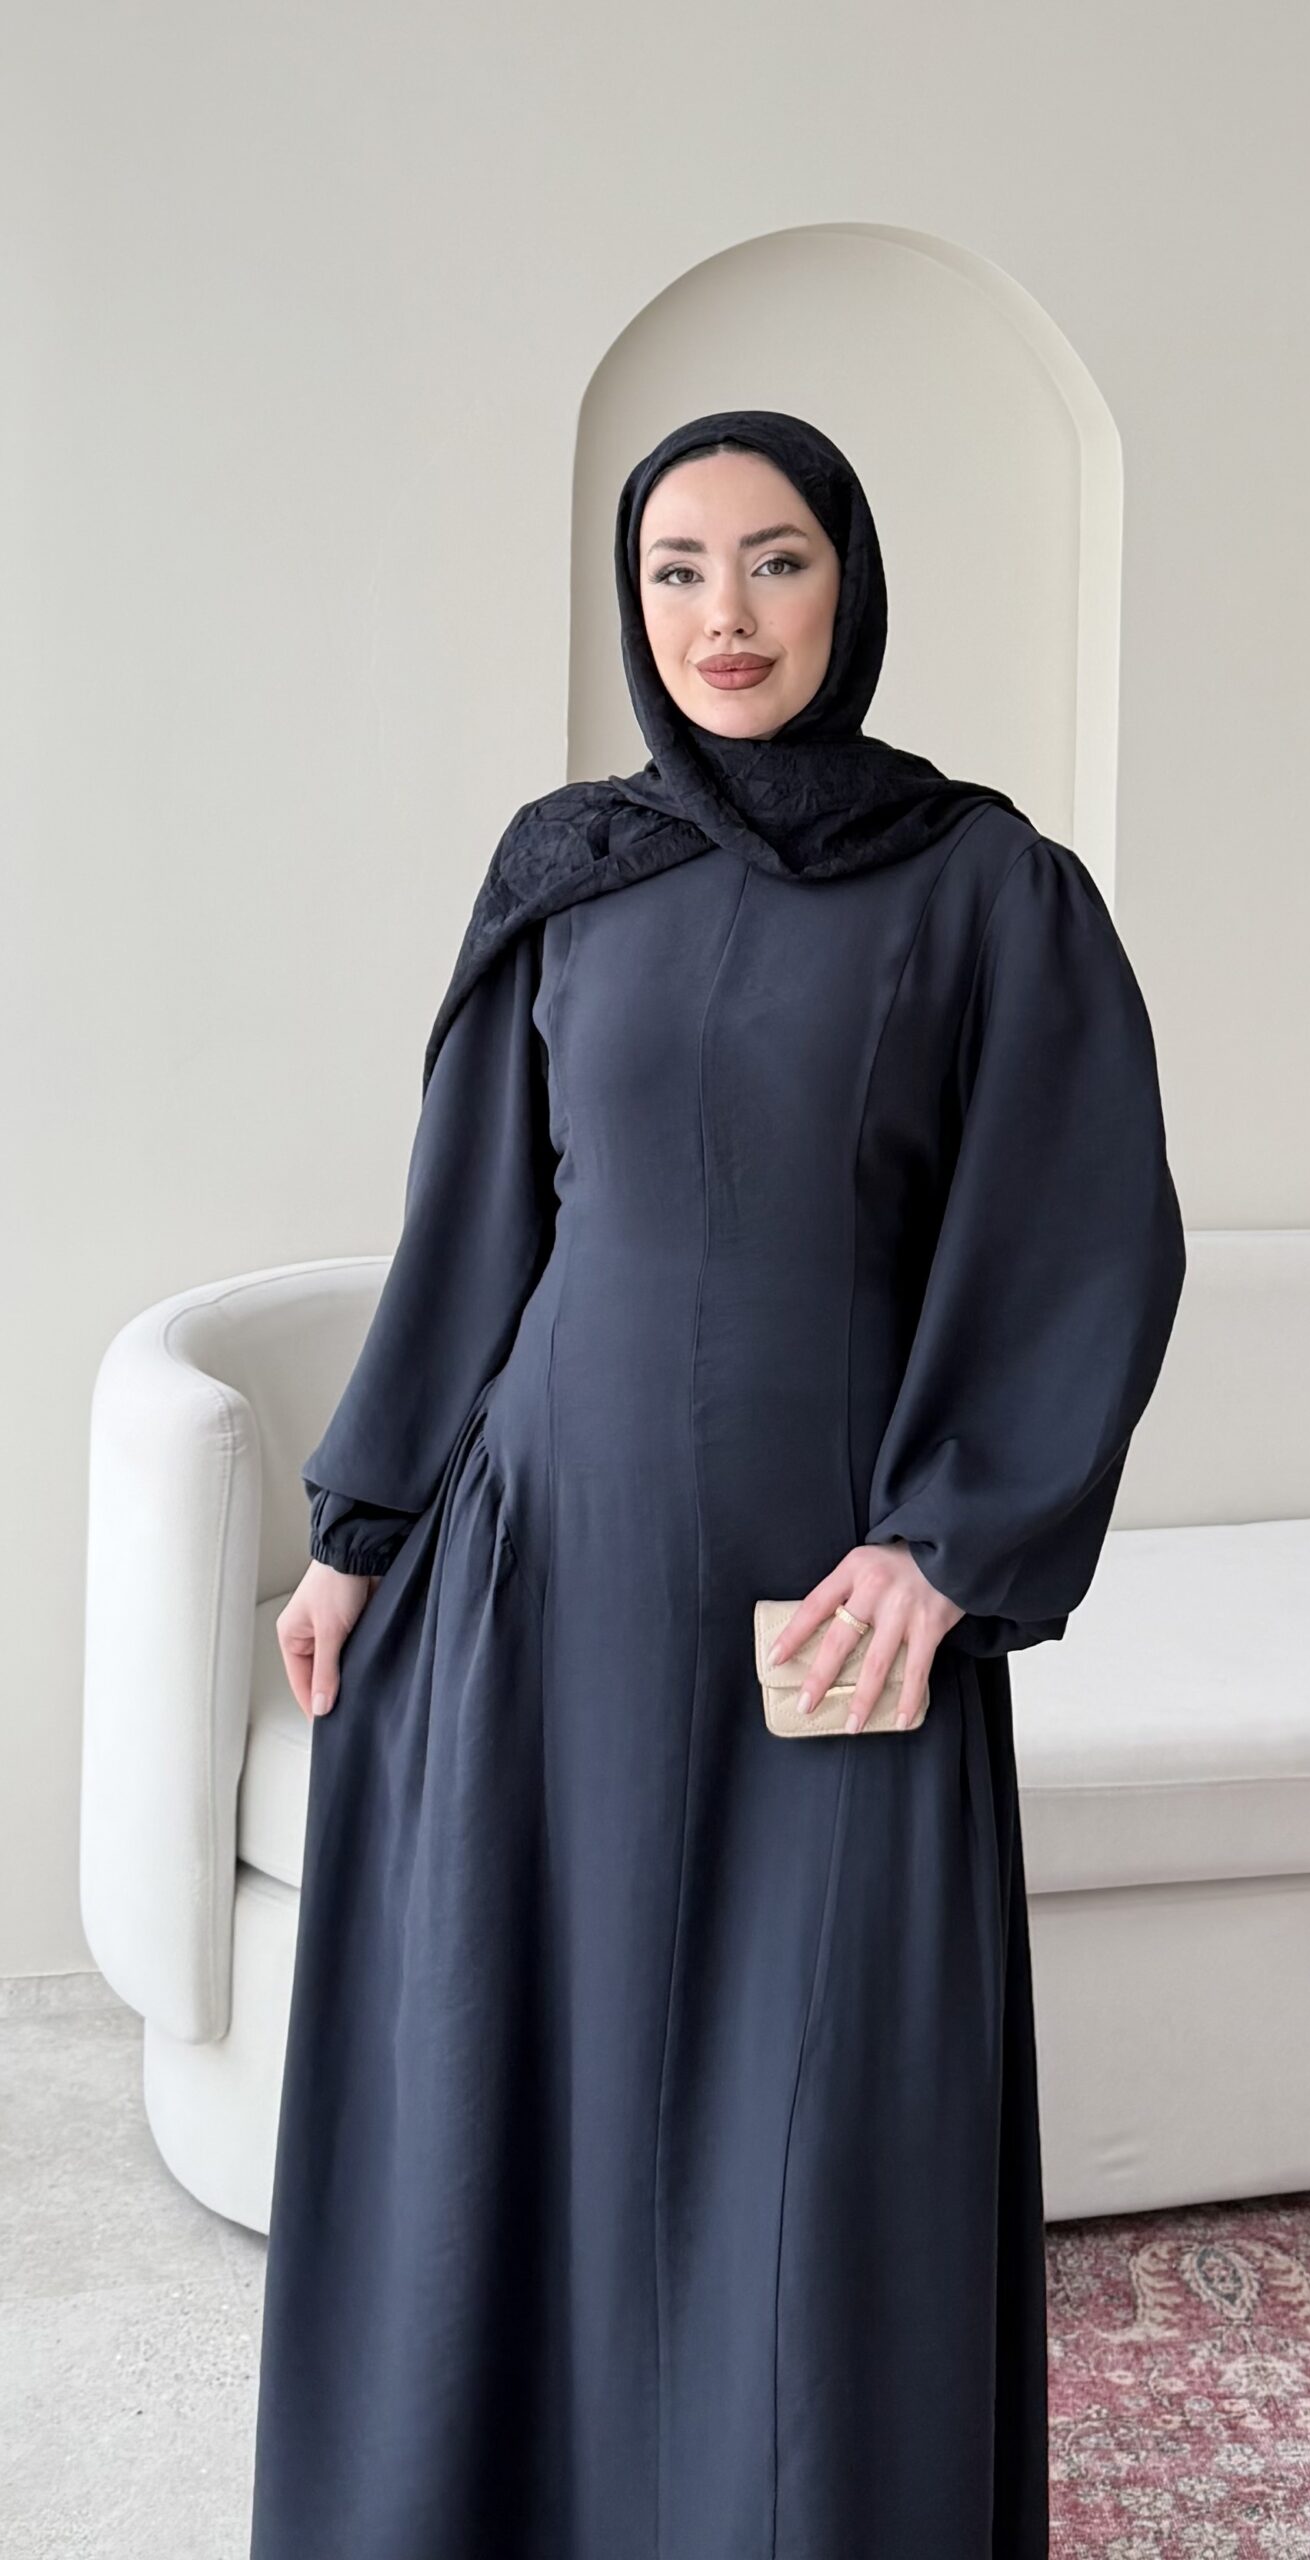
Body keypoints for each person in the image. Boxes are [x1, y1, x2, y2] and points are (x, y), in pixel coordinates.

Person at [249, 407, 1186, 2560]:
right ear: (632, 599)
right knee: (518, 2100)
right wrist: (362, 1530)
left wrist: (946, 1547)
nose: (724, 615)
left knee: (815, 2147)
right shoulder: (568, 869)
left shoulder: (989, 887)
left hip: (830, 1615)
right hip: (537, 1587)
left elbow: (1083, 1236)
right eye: (677, 569)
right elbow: (476, 1229)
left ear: (850, 579)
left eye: (774, 561)